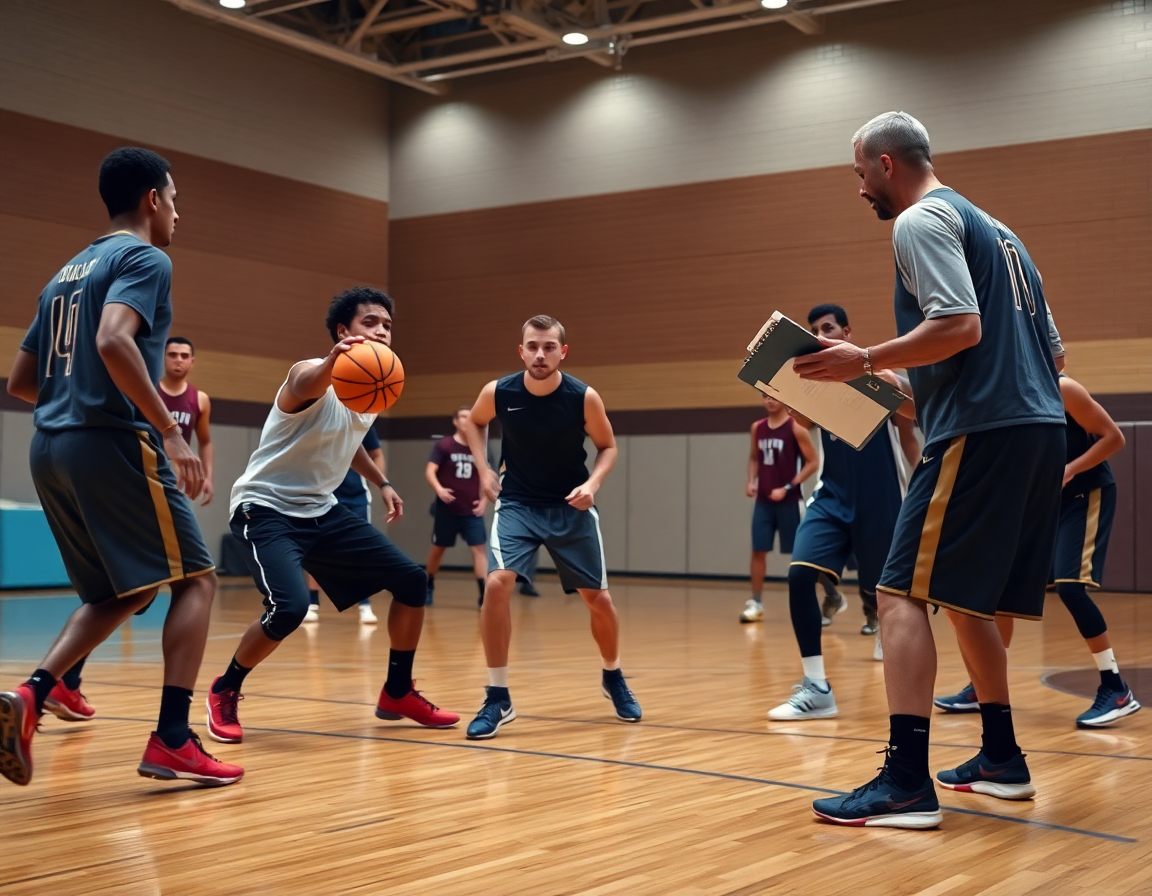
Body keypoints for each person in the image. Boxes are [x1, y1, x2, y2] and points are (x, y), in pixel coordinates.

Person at [804, 112, 1067, 829]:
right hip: (1036, 430)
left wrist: (863, 359)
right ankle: (1002, 759)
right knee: (965, 602)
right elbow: (1051, 355)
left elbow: (959, 326)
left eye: (859, 174)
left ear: (887, 164)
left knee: (896, 596)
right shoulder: (1004, 235)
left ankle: (906, 784)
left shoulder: (918, 223)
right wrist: (868, 385)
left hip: (982, 433)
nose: (859, 190)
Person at [0, 147, 242, 786]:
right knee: (197, 581)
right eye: (175, 198)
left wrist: (76, 393)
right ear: (151, 200)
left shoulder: (66, 272)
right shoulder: (144, 256)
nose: (178, 213)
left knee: (123, 591)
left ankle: (31, 693)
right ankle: (171, 738)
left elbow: (23, 380)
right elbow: (113, 338)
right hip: (109, 442)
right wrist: (171, 432)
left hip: (49, 445)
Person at [205, 287, 458, 744]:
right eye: (370, 323)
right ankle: (225, 689)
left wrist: (381, 482)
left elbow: (349, 438)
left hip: (322, 510)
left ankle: (397, 692)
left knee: (412, 581)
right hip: (264, 508)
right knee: (290, 608)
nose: (381, 331)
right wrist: (329, 363)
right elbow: (306, 382)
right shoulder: (309, 373)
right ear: (344, 332)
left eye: (387, 325)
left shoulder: (369, 391)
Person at [460, 315, 640, 739]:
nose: (540, 354)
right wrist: (484, 469)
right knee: (497, 583)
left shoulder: (583, 397)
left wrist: (592, 484)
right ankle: (497, 696)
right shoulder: (499, 391)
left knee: (598, 600)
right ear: (521, 350)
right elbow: (475, 421)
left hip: (568, 506)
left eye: (549, 347)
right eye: (533, 346)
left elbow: (608, 446)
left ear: (563, 351)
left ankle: (613, 676)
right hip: (518, 503)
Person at [935, 374, 1139, 728]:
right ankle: (983, 685)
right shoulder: (1008, 392)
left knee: (1071, 587)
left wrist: (1070, 470)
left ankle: (1116, 687)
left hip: (1083, 495)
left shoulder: (1064, 388)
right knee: (1000, 594)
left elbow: (1114, 438)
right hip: (1041, 503)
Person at [767, 304, 917, 721]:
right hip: (833, 493)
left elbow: (910, 425)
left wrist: (925, 475)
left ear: (847, 332)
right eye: (815, 330)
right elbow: (803, 421)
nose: (821, 334)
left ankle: (877, 618)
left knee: (882, 591)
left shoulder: (876, 374)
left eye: (828, 328)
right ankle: (816, 688)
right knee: (800, 574)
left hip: (882, 496)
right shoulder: (818, 377)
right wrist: (787, 394)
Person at [740, 393, 818, 623]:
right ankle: (756, 602)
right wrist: (751, 480)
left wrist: (788, 486)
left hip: (790, 502)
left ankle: (829, 596)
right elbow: (754, 457)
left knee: (801, 555)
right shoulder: (758, 428)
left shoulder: (797, 428)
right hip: (763, 502)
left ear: (784, 398)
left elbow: (813, 462)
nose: (769, 401)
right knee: (758, 550)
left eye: (773, 396)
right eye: (764, 397)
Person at [304, 427, 384, 625]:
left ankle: (364, 604)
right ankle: (313, 603)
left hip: (356, 497)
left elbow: (377, 454)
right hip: (324, 495)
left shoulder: (362, 421)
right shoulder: (319, 417)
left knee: (360, 553)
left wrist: (381, 482)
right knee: (317, 549)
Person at [424, 406, 488, 608]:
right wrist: (439, 489)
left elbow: (489, 477)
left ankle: (483, 594)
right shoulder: (445, 445)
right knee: (438, 548)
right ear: (455, 421)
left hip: (471, 509)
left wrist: (484, 501)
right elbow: (430, 471)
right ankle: (428, 585)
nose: (466, 420)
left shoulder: (479, 447)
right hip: (447, 508)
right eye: (462, 417)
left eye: (469, 417)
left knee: (479, 549)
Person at [159, 336, 214, 505]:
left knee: (180, 528)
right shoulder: (150, 393)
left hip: (179, 475)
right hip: (146, 468)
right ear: (163, 357)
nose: (178, 360)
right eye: (172, 355)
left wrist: (207, 478)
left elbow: (205, 442)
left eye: (183, 356)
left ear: (191, 361)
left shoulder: (199, 399)